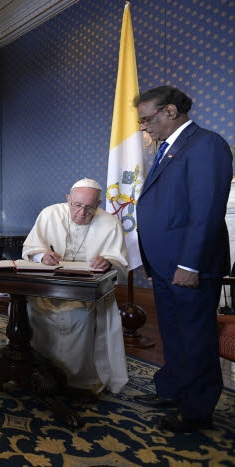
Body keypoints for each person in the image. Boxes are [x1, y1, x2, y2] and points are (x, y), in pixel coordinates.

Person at [134, 86, 232, 433]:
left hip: (189, 265)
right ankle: (173, 390)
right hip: (165, 262)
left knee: (195, 337)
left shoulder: (206, 144)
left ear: (170, 111)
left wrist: (189, 264)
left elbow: (206, 210)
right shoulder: (169, 149)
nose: (143, 126)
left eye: (147, 118)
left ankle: (195, 411)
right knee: (173, 333)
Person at [22, 178, 129, 394]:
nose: (81, 213)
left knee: (80, 317)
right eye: (77, 205)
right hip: (48, 289)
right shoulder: (49, 214)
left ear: (98, 204)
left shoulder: (110, 223)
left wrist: (108, 262)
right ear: (68, 200)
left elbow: (120, 264)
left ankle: (77, 379)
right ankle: (33, 371)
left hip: (87, 294)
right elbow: (30, 249)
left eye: (89, 207)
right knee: (27, 310)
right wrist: (42, 256)